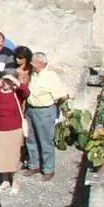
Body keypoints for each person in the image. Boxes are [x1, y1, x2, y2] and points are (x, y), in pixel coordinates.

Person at [24, 52, 68, 181]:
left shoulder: (50, 76)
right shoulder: (33, 74)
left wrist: (53, 109)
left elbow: (61, 96)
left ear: (40, 63)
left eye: (33, 62)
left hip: (44, 111)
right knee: (31, 139)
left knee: (45, 140)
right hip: (31, 109)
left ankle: (48, 169)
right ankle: (34, 165)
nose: (31, 64)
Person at [0, 74, 30, 193]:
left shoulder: (17, 93)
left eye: (8, 81)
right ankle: (5, 181)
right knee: (1, 158)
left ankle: (14, 182)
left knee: (12, 158)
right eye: (4, 80)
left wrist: (15, 80)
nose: (5, 83)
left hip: (13, 130)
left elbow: (26, 92)